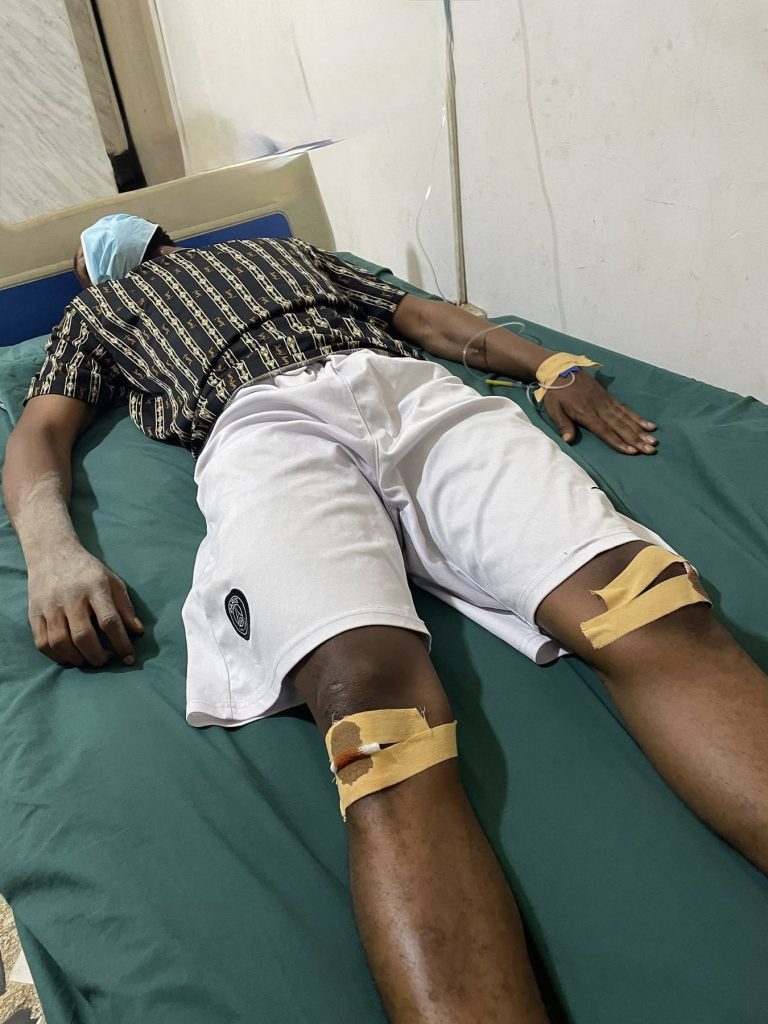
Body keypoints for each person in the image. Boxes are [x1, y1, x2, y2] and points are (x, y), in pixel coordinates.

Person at [3, 214, 766, 1024]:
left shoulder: (280, 253)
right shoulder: (98, 314)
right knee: (375, 723)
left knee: (645, 601)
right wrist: (53, 551)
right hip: (258, 425)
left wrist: (551, 363)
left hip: (408, 392)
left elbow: (424, 318)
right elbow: (42, 428)